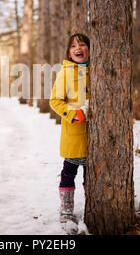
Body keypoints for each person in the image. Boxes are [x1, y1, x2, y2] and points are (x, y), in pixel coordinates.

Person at [49, 33, 90, 223]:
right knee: (68, 174)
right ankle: (66, 210)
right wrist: (73, 113)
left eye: (82, 45)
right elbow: (55, 101)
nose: (78, 49)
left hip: (96, 136)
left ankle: (94, 206)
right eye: (73, 46)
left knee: (93, 175)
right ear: (68, 52)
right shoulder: (65, 72)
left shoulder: (98, 70)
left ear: (89, 49)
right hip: (74, 134)